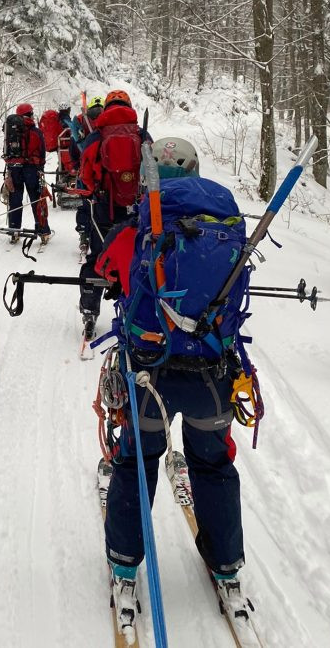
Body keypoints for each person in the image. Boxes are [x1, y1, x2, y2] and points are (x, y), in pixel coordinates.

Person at [96, 137, 251, 631]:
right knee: (213, 464)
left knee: (136, 461)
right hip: (212, 378)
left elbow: (106, 273)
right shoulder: (227, 231)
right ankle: (226, 564)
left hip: (149, 375)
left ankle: (124, 563)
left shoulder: (134, 233)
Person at [77, 90, 144, 339]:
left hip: (103, 205)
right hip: (135, 208)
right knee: (135, 258)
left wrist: (91, 192)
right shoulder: (141, 134)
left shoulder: (97, 135)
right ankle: (133, 310)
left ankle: (89, 310)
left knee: (99, 256)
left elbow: (85, 173)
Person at [3, 103, 51, 244]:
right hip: (31, 168)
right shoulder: (36, 132)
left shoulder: (10, 131)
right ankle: (43, 231)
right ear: (30, 114)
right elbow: (42, 151)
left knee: (15, 200)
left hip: (14, 168)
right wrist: (40, 167)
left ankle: (14, 230)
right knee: (36, 199)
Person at [74, 96, 104, 251]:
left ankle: (84, 234)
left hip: (86, 173)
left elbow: (75, 148)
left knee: (86, 205)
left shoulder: (81, 124)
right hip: (105, 176)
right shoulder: (108, 127)